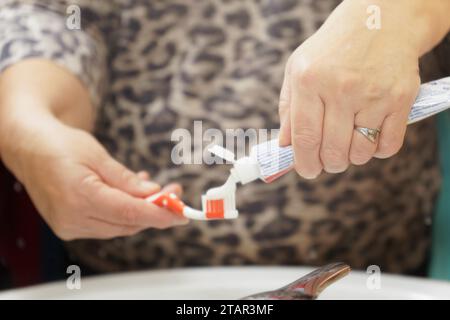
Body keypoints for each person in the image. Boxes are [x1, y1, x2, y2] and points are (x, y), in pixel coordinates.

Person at [0, 0, 449, 277]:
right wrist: (31, 129)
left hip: (371, 270)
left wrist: (395, 11)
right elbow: (50, 15)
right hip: (123, 277)